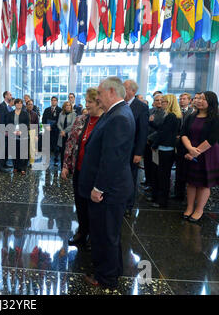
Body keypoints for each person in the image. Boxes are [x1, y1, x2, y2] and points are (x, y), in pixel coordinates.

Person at [78, 77, 135, 289]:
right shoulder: (114, 113)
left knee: (105, 234)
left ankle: (106, 278)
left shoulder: (119, 117)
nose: (98, 97)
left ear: (111, 92)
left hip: (109, 190)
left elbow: (112, 158)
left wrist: (98, 188)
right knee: (108, 233)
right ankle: (113, 270)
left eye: (100, 94)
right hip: (112, 187)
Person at [61, 87, 102, 250]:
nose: (87, 105)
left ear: (99, 103)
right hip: (78, 169)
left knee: (93, 207)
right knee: (79, 203)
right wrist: (65, 165)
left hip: (95, 173)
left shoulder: (106, 121)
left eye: (90, 102)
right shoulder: (80, 119)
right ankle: (82, 231)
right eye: (86, 102)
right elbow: (70, 143)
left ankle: (93, 235)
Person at [181, 91, 219, 222]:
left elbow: (212, 139)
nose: (199, 101)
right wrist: (189, 148)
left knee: (204, 184)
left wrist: (194, 151)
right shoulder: (191, 116)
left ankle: (199, 210)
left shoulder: (216, 118)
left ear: (211, 102)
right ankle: (190, 207)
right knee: (191, 183)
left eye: (203, 99)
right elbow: (184, 134)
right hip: (191, 151)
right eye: (198, 98)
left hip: (208, 153)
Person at [149, 94, 182, 208]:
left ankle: (162, 201)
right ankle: (160, 198)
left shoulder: (171, 116)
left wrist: (154, 144)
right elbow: (162, 129)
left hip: (165, 149)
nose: (161, 103)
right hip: (166, 148)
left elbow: (163, 133)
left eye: (163, 101)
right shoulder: (172, 116)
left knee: (163, 176)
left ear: (169, 103)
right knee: (162, 175)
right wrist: (152, 123)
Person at [123, 80, 149, 217]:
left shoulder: (141, 107)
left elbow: (143, 132)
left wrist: (139, 152)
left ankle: (128, 206)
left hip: (132, 150)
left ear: (132, 90)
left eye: (124, 88)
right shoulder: (120, 104)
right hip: (119, 150)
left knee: (130, 178)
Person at [173, 93, 195, 201]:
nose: (181, 100)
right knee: (178, 170)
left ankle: (184, 195)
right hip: (176, 144)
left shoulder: (192, 112)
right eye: (180, 99)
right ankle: (178, 193)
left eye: (184, 99)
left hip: (187, 145)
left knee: (185, 171)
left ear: (189, 101)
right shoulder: (176, 111)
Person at [143, 94, 165, 189]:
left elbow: (161, 129)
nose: (159, 102)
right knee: (147, 163)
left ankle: (153, 185)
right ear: (153, 102)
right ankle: (148, 181)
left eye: (161, 100)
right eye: (157, 100)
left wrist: (150, 138)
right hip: (147, 141)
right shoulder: (150, 111)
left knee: (155, 165)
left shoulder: (166, 113)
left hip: (157, 142)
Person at [6, 99, 30, 175]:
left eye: (20, 103)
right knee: (14, 152)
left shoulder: (25, 114)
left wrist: (21, 131)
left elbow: (27, 124)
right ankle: (15, 167)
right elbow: (8, 124)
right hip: (13, 135)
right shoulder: (10, 114)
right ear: (15, 104)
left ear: (22, 105)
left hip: (23, 134)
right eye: (17, 103)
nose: (19, 105)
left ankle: (23, 168)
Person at [42, 96, 62, 166]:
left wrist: (52, 127)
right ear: (51, 101)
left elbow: (59, 121)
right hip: (47, 131)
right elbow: (43, 119)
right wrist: (46, 126)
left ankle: (56, 160)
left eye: (55, 100)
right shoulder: (46, 109)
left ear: (57, 101)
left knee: (56, 147)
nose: (53, 101)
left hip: (55, 131)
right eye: (52, 100)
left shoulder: (60, 110)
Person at [0, 91, 14, 172]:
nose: (11, 96)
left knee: (7, 148)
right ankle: (0, 166)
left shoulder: (9, 106)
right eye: (10, 94)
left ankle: (5, 163)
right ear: (6, 96)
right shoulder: (1, 106)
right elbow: (0, 120)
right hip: (3, 131)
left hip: (9, 131)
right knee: (2, 149)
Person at [57, 101, 77, 168]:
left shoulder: (73, 114)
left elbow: (72, 125)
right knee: (62, 152)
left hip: (69, 135)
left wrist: (64, 131)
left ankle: (68, 168)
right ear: (64, 107)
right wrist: (62, 131)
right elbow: (58, 124)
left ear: (71, 107)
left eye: (69, 105)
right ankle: (62, 167)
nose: (68, 106)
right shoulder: (61, 114)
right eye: (66, 105)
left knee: (69, 152)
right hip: (62, 136)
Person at [27, 99, 39, 167]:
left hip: (32, 132)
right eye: (29, 104)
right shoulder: (23, 113)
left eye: (31, 104)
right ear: (26, 105)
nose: (30, 105)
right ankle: (25, 162)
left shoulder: (35, 114)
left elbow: (37, 125)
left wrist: (36, 135)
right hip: (24, 131)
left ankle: (31, 162)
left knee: (32, 148)